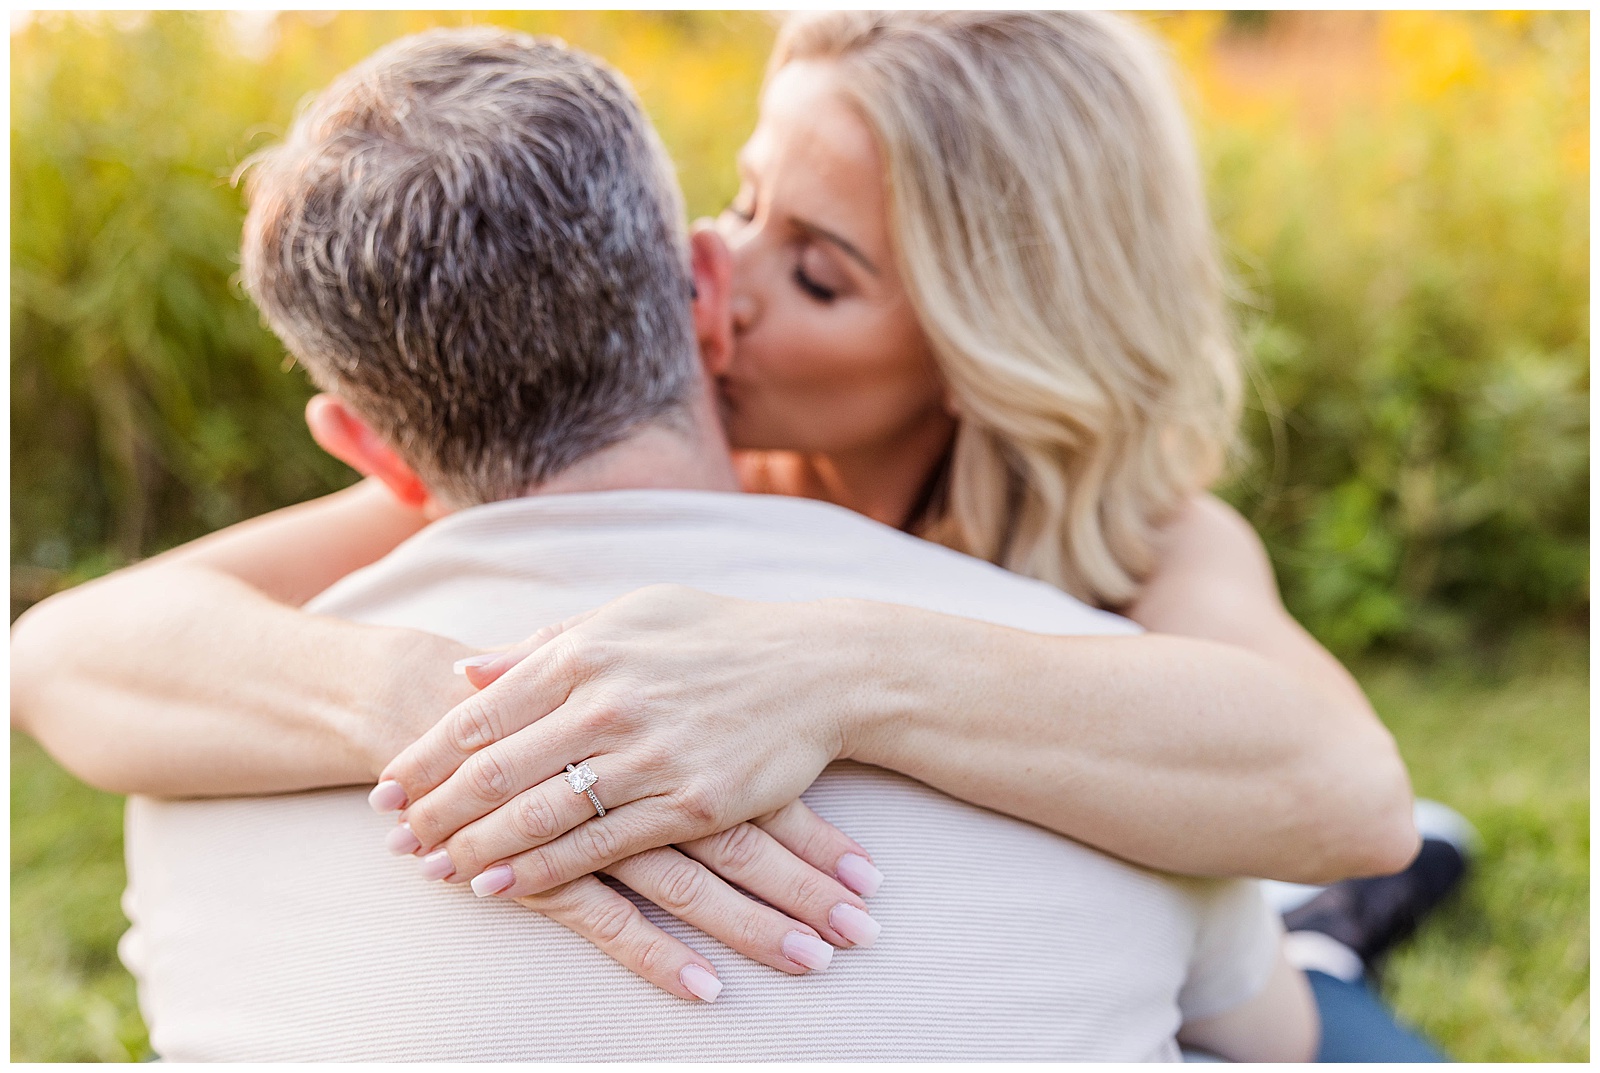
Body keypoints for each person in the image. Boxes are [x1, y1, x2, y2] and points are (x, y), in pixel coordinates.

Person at [10, 10, 1447, 1060]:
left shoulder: (1151, 539)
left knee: (1317, 1003)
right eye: (743, 202)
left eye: (814, 270)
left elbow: (1342, 786)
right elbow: (77, 648)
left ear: (986, 344)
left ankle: (1327, 933)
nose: (720, 278)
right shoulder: (654, 454)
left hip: (1221, 918)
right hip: (1186, 935)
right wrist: (430, 705)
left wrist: (837, 668)